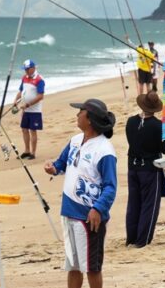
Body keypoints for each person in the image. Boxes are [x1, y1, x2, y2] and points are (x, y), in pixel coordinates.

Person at [44, 98, 117, 288]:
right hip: (68, 212)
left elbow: (111, 186)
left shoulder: (104, 150)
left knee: (92, 268)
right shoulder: (75, 141)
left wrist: (98, 209)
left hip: (89, 218)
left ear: (90, 119)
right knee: (73, 266)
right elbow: (62, 163)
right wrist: (53, 168)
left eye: (80, 111)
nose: (77, 115)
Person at [124, 92, 165, 248]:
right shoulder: (158, 126)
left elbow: (132, 141)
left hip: (133, 166)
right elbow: (164, 148)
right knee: (149, 205)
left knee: (134, 203)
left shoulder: (131, 122)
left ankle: (131, 237)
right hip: (149, 168)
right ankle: (142, 240)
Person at [13, 59, 44, 160]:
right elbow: (21, 91)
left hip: (35, 111)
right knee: (24, 129)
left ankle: (33, 152)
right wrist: (15, 100)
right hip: (25, 110)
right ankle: (26, 150)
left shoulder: (39, 80)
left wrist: (28, 104)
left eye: (27, 69)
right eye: (25, 69)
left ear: (33, 68)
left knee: (33, 130)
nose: (26, 71)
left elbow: (40, 96)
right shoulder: (24, 78)